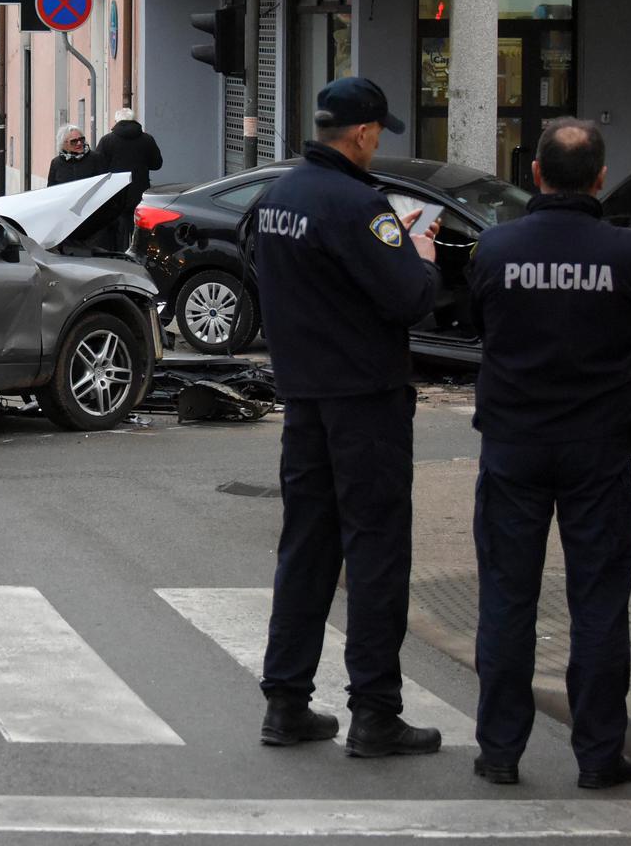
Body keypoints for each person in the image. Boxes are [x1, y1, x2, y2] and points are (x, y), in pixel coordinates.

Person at [252, 77, 443, 757]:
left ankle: (285, 702)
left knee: (306, 548)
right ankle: (375, 713)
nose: (376, 144)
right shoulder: (359, 204)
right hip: (365, 400)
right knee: (375, 553)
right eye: (377, 134)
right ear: (361, 134)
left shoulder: (278, 197)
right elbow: (410, 297)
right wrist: (420, 254)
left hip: (304, 397)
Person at [465, 120, 631, 789]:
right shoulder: (629, 252)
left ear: (536, 174)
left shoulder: (495, 247)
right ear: (600, 178)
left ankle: (499, 751)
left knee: (506, 598)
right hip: (598, 447)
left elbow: (484, 326)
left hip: (514, 443)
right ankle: (599, 756)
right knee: (599, 602)